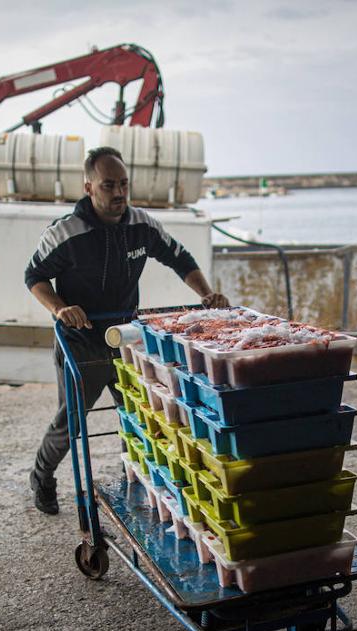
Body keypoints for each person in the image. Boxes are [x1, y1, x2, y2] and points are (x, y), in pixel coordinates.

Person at [24, 146, 229, 515]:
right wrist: (60, 308)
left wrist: (206, 294)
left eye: (123, 184)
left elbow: (179, 258)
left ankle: (133, 478)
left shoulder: (141, 225)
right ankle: (42, 475)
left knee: (137, 414)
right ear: (89, 187)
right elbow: (34, 276)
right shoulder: (65, 232)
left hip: (126, 337)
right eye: (108, 186)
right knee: (71, 419)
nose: (119, 193)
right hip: (81, 341)